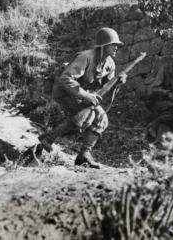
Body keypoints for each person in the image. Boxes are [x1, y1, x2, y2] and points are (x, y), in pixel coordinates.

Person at [37, 27, 126, 169]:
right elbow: (66, 78)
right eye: (113, 44)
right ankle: (50, 139)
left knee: (100, 118)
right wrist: (86, 95)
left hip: (83, 94)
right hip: (64, 92)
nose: (116, 47)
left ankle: (81, 153)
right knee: (84, 116)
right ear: (103, 46)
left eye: (117, 45)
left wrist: (117, 83)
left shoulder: (110, 64)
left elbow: (105, 88)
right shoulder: (85, 57)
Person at [141, 52, 173, 141]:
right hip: (155, 101)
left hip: (169, 104)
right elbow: (154, 88)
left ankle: (155, 123)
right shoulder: (164, 70)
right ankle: (155, 123)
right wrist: (167, 93)